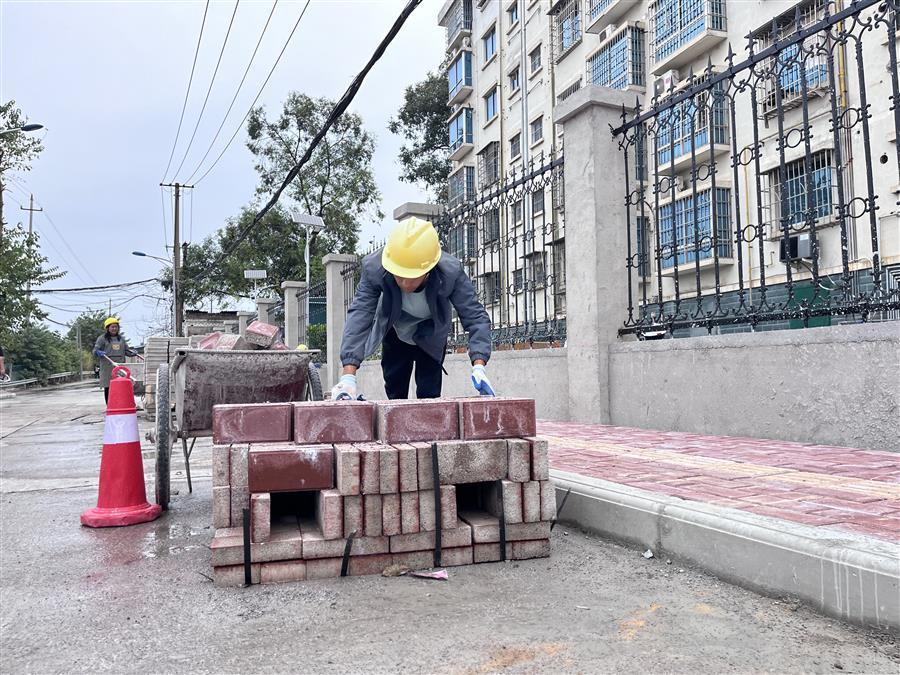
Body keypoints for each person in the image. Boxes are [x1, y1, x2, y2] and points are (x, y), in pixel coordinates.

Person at [331, 217, 495, 401]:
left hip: (431, 333)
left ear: (428, 269)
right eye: (399, 275)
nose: (404, 282)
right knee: (395, 390)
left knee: (429, 393)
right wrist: (348, 375)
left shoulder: (451, 272)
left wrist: (479, 366)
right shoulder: (374, 268)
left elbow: (475, 317)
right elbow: (360, 314)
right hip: (396, 330)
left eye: (412, 276)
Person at [93, 317, 137, 403]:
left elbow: (127, 351)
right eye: (112, 327)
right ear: (107, 328)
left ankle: (121, 404)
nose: (114, 329)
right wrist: (98, 352)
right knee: (108, 386)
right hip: (107, 366)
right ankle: (109, 405)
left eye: (116, 327)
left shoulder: (121, 339)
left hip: (120, 366)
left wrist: (133, 353)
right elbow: (95, 350)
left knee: (121, 385)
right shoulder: (102, 339)